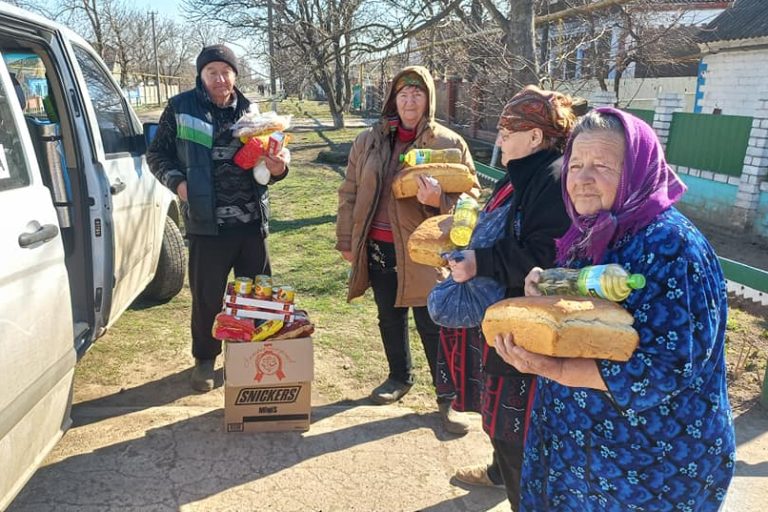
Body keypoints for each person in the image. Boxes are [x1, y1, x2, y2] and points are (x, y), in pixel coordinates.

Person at [495, 108, 736, 511]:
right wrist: (545, 294)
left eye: (602, 166)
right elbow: (585, 322)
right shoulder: (586, 233)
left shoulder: (672, 246)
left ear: (637, 170)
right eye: (575, 165)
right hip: (576, 455)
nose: (582, 179)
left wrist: (551, 369)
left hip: (649, 468)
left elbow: (665, 369)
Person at [440, 86, 575, 508]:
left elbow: (544, 259)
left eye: (506, 129)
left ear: (535, 137)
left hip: (528, 321)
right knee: (497, 411)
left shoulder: (552, 180)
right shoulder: (523, 173)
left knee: (513, 426)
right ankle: (500, 472)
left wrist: (478, 262)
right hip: (506, 313)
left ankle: (521, 494)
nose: (498, 138)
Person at [335, 66, 478, 432]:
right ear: (392, 99)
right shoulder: (370, 139)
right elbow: (350, 191)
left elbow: (471, 199)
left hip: (425, 250)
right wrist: (347, 239)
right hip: (378, 245)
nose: (409, 100)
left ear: (428, 98)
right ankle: (399, 378)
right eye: (402, 93)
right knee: (389, 316)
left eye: (417, 93)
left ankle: (448, 400)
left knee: (433, 323)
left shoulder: (447, 143)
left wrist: (440, 199)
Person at [147, 45, 289, 392]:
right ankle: (206, 359)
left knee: (257, 295)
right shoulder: (181, 108)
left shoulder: (252, 111)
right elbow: (156, 154)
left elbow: (271, 167)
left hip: (251, 224)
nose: (219, 78)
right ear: (201, 75)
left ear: (235, 75)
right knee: (208, 297)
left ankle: (250, 356)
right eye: (212, 71)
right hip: (207, 225)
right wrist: (178, 184)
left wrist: (278, 167)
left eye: (225, 71)